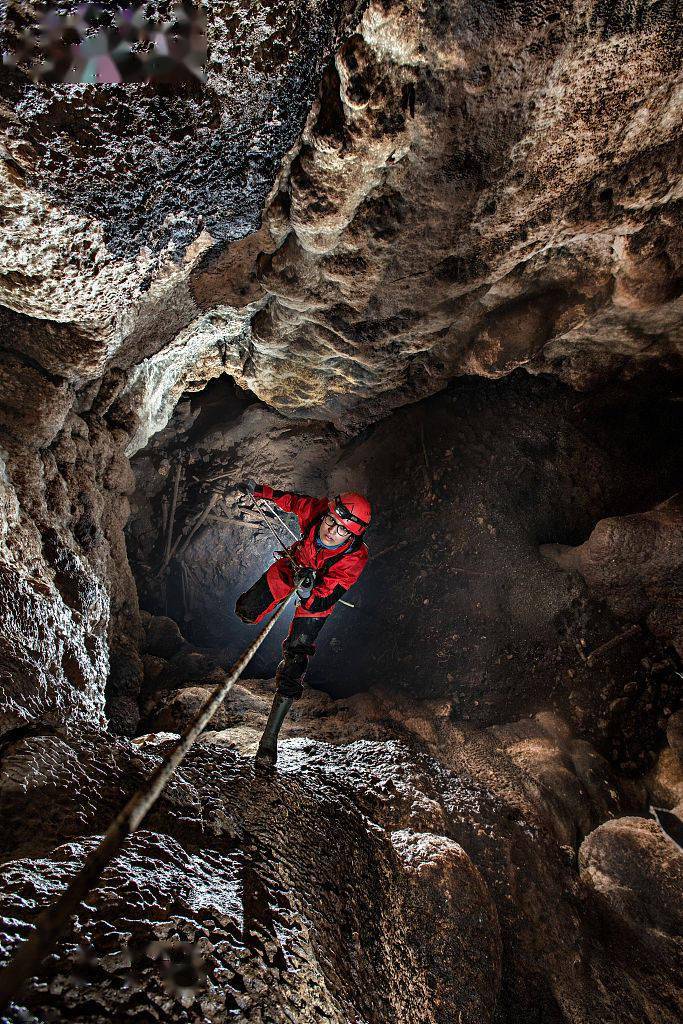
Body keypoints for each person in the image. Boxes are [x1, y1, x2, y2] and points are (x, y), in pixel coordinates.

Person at [236, 483, 371, 766]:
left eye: (342, 529)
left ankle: (268, 741)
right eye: (331, 521)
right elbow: (292, 501)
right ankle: (255, 610)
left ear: (352, 535)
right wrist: (258, 490)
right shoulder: (317, 512)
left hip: (317, 597)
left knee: (295, 662)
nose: (331, 530)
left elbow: (324, 600)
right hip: (293, 566)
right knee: (246, 611)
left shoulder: (354, 558)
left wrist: (308, 592)